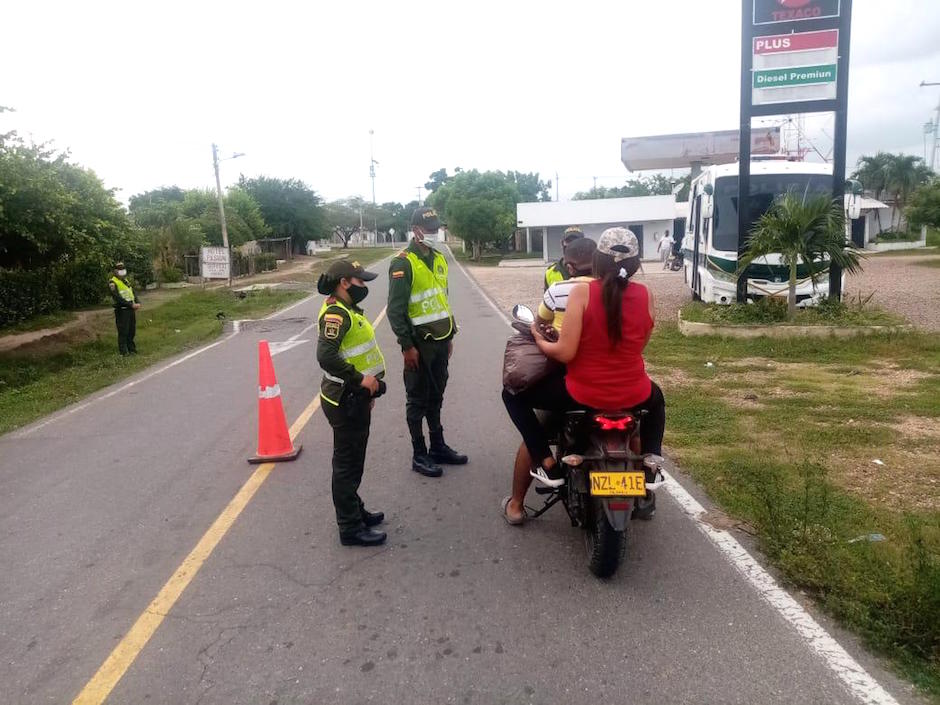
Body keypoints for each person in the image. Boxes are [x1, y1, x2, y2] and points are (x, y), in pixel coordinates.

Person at [501, 227, 665, 524]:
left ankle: (547, 461)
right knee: (658, 400)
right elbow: (640, 344)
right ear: (636, 263)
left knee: (511, 395)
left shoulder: (582, 293)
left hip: (583, 392)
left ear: (598, 260)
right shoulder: (646, 294)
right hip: (634, 392)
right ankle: (652, 462)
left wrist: (539, 337)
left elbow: (564, 353)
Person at [387, 207, 468, 478]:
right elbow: (395, 311)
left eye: (437, 228)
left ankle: (438, 446)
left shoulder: (439, 258)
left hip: (440, 340)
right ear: (416, 230)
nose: (435, 233)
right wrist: (407, 346)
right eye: (430, 229)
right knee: (417, 399)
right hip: (419, 345)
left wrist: (450, 334)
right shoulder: (403, 263)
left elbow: (442, 300)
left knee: (437, 395)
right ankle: (419, 453)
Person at [316, 259, 388, 547]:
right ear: (344, 282)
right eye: (360, 281)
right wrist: (360, 381)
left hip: (353, 397)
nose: (364, 286)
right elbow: (327, 357)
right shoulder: (336, 314)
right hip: (345, 398)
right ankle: (349, 527)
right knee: (347, 466)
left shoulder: (345, 309)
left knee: (354, 462)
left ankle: (355, 511)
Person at [108, 261, 140, 356]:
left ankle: (132, 350)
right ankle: (124, 352)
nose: (122, 273)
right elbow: (117, 297)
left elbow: (132, 292)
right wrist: (131, 305)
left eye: (123, 270)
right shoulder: (112, 282)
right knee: (123, 331)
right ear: (115, 271)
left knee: (131, 331)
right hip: (122, 310)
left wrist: (137, 302)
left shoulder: (126, 281)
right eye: (119, 271)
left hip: (130, 309)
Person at [544, 226, 584, 290]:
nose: (572, 244)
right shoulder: (551, 272)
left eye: (577, 241)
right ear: (562, 244)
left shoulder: (593, 270)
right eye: (569, 241)